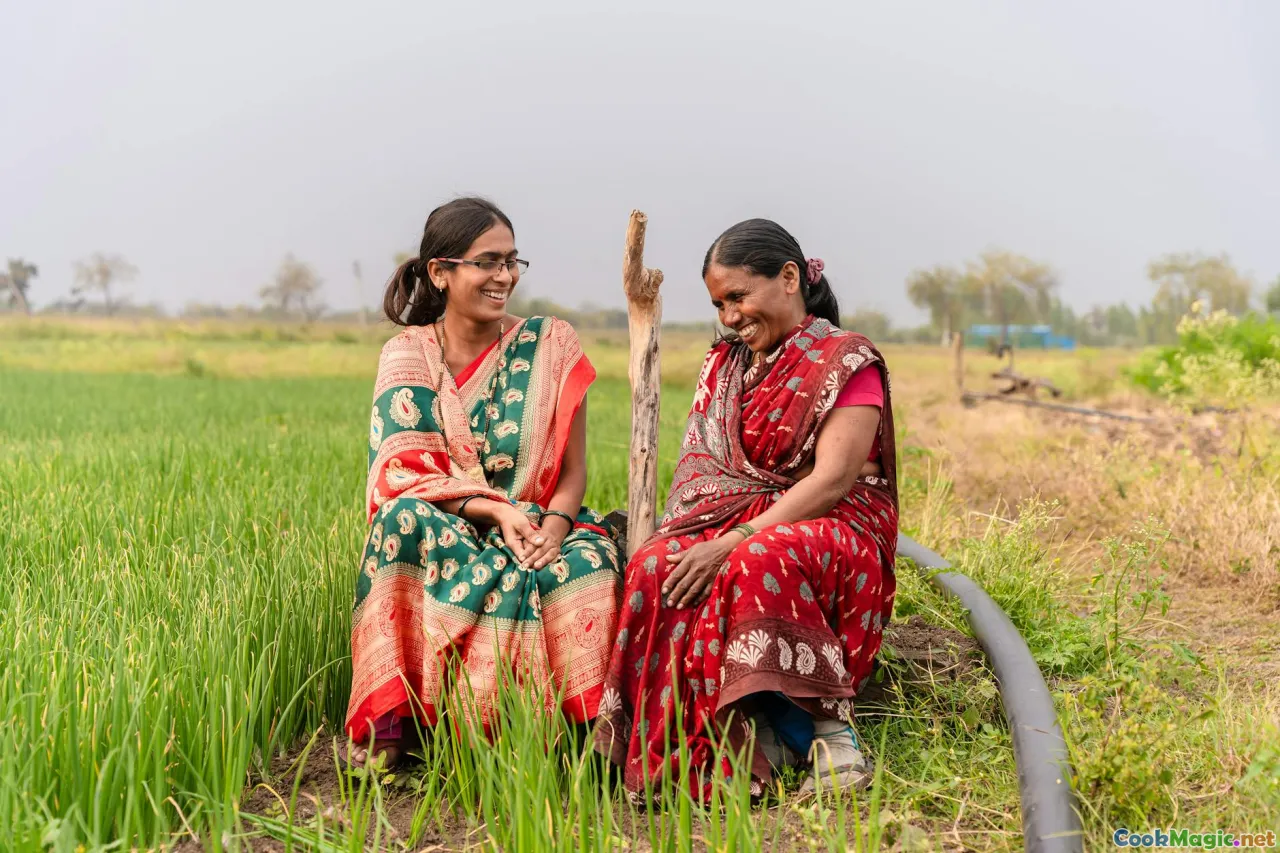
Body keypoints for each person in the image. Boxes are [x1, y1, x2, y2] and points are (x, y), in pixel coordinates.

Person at [594, 218, 897, 800]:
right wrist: (712, 536)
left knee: (759, 555)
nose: (729, 316)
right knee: (658, 564)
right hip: (741, 521)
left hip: (834, 529)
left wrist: (732, 539)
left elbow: (832, 481)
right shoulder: (725, 365)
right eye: (718, 303)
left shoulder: (846, 360)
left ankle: (831, 735)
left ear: (788, 279)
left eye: (738, 296)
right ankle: (714, 740)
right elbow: (708, 470)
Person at [346, 197, 621, 767]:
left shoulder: (551, 344)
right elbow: (400, 475)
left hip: (543, 521)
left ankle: (586, 741)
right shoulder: (407, 356)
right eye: (488, 262)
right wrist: (495, 511)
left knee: (586, 562)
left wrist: (555, 525)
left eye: (513, 261)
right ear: (440, 273)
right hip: (453, 521)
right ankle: (398, 734)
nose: (505, 277)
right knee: (399, 524)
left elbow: (573, 475)